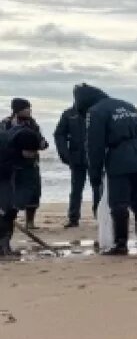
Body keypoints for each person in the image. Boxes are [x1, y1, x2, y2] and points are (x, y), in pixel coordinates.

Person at [75, 83, 137, 256]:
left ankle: (121, 244)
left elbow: (94, 146)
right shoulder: (128, 105)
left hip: (120, 158)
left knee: (118, 203)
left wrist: (94, 174)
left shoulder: (95, 112)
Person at [1, 99, 48, 231]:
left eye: (30, 108)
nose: (29, 111)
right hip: (14, 165)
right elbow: (4, 142)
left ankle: (30, 222)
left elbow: (41, 140)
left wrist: (40, 144)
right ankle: (9, 222)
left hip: (32, 164)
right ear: (17, 109)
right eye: (26, 108)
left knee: (34, 193)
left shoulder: (32, 123)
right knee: (13, 195)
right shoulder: (6, 123)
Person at [0, 118, 43, 255]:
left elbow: (27, 180)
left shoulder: (27, 142)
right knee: (3, 210)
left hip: (9, 173)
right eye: (29, 151)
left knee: (9, 211)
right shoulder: (4, 147)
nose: (32, 154)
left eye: (34, 152)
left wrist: (18, 203)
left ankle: (4, 245)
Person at [53, 100, 95, 227]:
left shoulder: (95, 112)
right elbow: (59, 134)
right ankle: (73, 218)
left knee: (98, 188)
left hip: (95, 157)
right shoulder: (69, 114)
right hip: (76, 157)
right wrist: (65, 154)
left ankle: (100, 216)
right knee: (76, 189)